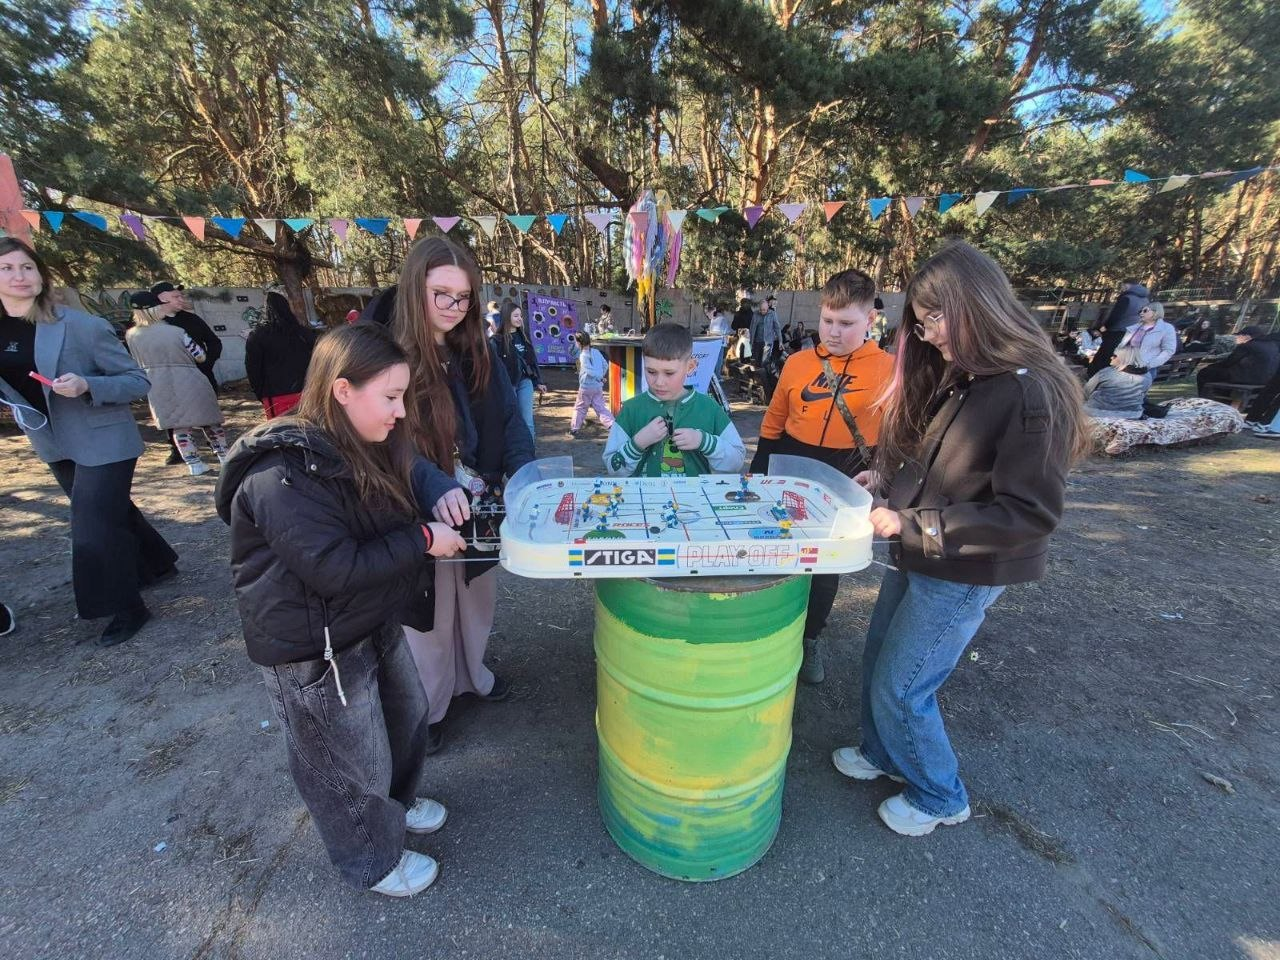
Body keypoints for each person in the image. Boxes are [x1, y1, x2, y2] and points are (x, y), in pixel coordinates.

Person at [832, 240, 1086, 838]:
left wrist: (914, 525)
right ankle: (885, 755)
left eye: (937, 319)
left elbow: (1029, 514)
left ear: (978, 304)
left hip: (965, 572)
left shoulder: (1029, 391)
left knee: (904, 684)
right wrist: (887, 481)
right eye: (920, 325)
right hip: (921, 553)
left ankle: (940, 794)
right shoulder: (968, 375)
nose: (931, 336)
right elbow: (941, 461)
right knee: (877, 663)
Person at [216, 322, 466, 898]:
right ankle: (370, 859)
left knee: (404, 720)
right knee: (344, 762)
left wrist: (437, 488)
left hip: (366, 619)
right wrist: (425, 542)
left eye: (402, 396)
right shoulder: (280, 475)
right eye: (391, 397)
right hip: (312, 648)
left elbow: (411, 468)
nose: (401, 413)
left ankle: (395, 807)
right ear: (342, 390)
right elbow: (334, 567)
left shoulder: (363, 442)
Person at [392, 237, 535, 753]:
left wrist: (522, 476)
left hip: (478, 499)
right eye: (441, 294)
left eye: (464, 296)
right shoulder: (388, 355)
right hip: (419, 502)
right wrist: (433, 483)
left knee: (475, 595)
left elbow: (509, 421)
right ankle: (428, 707)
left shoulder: (478, 351)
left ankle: (472, 676)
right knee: (429, 608)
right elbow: (387, 441)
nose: (454, 308)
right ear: (415, 290)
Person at [0, 238, 177, 647]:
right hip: (50, 439)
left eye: (27, 267)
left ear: (41, 275)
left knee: (92, 525)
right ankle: (157, 564)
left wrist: (86, 384)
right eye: (7, 268)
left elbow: (138, 381)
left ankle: (125, 607)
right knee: (113, 513)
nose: (19, 276)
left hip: (103, 437)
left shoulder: (81, 325)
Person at [749, 269, 893, 684]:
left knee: (822, 564)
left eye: (847, 323)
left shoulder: (887, 369)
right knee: (772, 546)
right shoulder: (797, 363)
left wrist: (883, 471)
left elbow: (899, 431)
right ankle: (767, 630)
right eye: (828, 320)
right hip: (790, 460)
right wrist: (761, 470)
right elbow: (774, 419)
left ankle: (810, 639)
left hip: (847, 468)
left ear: (870, 320)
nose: (833, 332)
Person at [603, 323, 744, 477]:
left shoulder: (709, 409)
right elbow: (613, 468)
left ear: (690, 367)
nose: (659, 382)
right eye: (651, 371)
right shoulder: (631, 410)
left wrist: (704, 441)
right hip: (646, 500)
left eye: (669, 373)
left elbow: (736, 462)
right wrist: (637, 443)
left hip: (694, 500)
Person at [126, 294, 228, 476]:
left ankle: (194, 463)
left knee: (179, 425)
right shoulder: (175, 332)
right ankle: (224, 457)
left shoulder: (132, 336)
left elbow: (133, 360)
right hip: (189, 378)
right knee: (211, 421)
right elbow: (200, 355)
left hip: (156, 383)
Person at [151, 282, 223, 464]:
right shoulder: (151, 325)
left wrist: (206, 365)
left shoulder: (192, 320)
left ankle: (218, 448)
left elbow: (214, 342)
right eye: (176, 296)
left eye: (180, 296)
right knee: (175, 418)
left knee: (209, 415)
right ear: (162, 298)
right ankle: (178, 451)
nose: (181, 299)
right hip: (169, 382)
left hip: (200, 377)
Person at [245, 292, 320, 418]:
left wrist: (260, 392)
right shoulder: (305, 334)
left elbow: (252, 368)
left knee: (282, 433)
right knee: (311, 428)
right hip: (307, 392)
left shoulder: (258, 336)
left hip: (275, 396)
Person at [490, 298, 545, 448]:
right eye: (516, 316)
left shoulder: (524, 337)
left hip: (525, 382)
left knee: (528, 421)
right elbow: (492, 367)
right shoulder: (496, 341)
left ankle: (529, 454)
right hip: (507, 385)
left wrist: (539, 381)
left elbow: (532, 360)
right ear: (507, 316)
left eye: (520, 315)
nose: (520, 318)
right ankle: (510, 454)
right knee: (510, 420)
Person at [1086, 280, 1148, 377]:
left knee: (1104, 355)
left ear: (1127, 285)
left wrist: (1104, 327)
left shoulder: (1126, 298)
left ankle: (1094, 376)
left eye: (1122, 286)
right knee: (1120, 356)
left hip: (1117, 331)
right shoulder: (1145, 300)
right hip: (1133, 332)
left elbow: (1116, 316)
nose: (1121, 289)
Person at [1196, 326, 1280, 397]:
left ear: (1247, 336)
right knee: (1216, 373)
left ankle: (1204, 399)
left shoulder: (1248, 345)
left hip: (1247, 378)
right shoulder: (1272, 345)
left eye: (1239, 335)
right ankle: (1221, 396)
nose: (1236, 338)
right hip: (1266, 379)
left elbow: (1228, 363)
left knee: (1204, 373)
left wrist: (1211, 366)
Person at [1117, 302, 1177, 386]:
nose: (1141, 313)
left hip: (1146, 369)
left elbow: (1168, 350)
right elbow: (1123, 345)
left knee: (1137, 395)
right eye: (1140, 311)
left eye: (1145, 310)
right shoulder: (1135, 327)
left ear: (1156, 312)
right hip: (1125, 366)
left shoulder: (1167, 328)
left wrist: (1149, 365)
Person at [1081, 344, 1148, 419]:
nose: (1111, 357)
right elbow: (1143, 395)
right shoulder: (1147, 376)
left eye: (1114, 355)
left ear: (1124, 358)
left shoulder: (1106, 372)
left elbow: (1086, 392)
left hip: (1096, 412)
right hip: (1132, 414)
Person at [568, 331, 614, 437]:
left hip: (586, 387)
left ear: (579, 343)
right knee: (600, 407)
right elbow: (605, 365)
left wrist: (599, 377)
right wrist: (601, 377)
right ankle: (612, 425)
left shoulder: (583, 355)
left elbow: (589, 371)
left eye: (575, 341)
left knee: (580, 408)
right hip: (597, 386)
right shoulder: (597, 352)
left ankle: (574, 429)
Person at [750, 295, 782, 364]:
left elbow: (777, 328)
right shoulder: (755, 314)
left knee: (764, 362)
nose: (762, 311)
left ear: (767, 308)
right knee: (756, 362)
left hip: (768, 342)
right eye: (761, 310)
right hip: (757, 341)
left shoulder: (772, 314)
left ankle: (764, 373)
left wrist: (780, 341)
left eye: (764, 310)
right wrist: (751, 343)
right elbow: (752, 329)